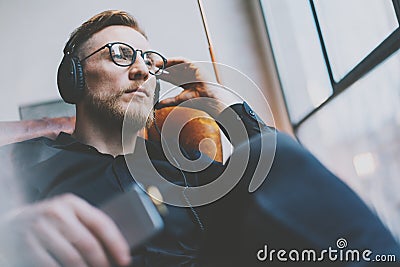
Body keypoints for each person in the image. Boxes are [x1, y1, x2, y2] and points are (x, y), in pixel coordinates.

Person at [1, 9, 399, 266]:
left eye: (150, 61)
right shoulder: (22, 166)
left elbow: (273, 185)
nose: (142, 69)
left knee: (269, 154)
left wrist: (217, 100)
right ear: (73, 77)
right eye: (121, 54)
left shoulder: (188, 167)